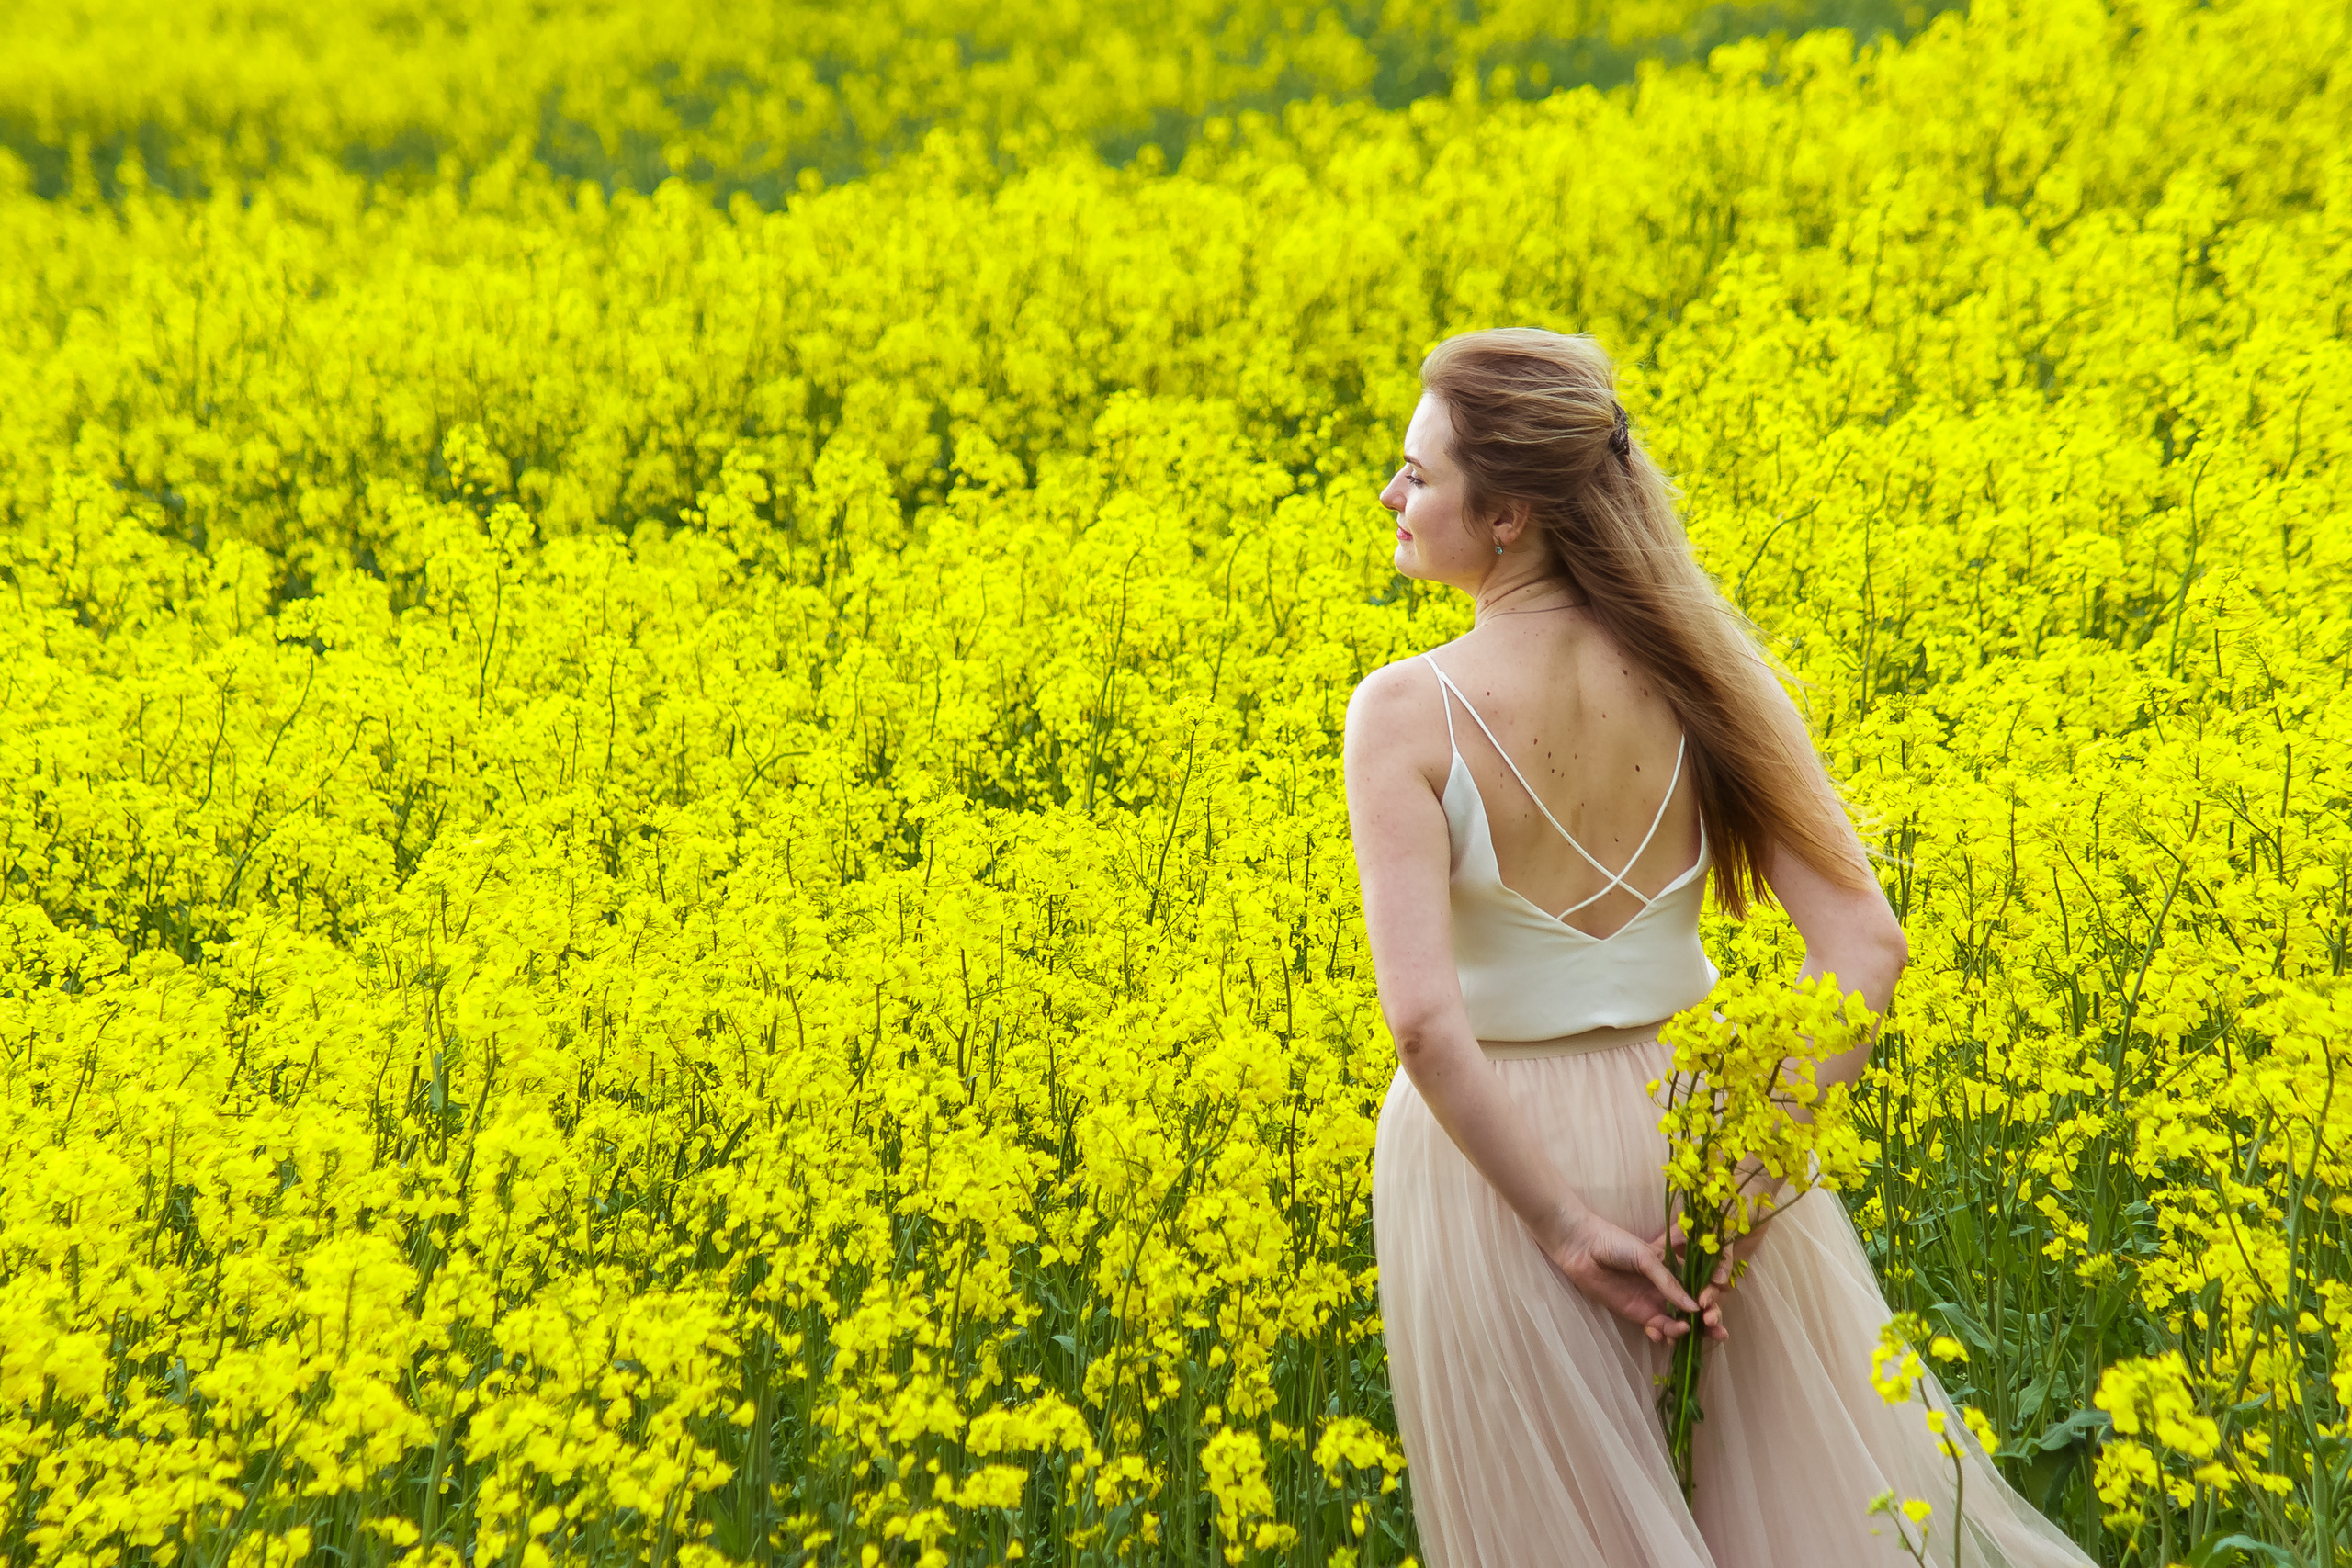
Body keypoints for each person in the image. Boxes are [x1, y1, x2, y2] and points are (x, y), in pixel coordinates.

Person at [1341, 328, 2093, 1566]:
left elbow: (1425, 1025)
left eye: (1419, 473)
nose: (1393, 494)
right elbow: (1865, 941)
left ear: (1512, 511)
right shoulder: (1706, 673)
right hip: (1694, 1129)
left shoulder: (1405, 712)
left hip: (1497, 1170)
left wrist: (1565, 1225)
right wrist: (1756, 1164)